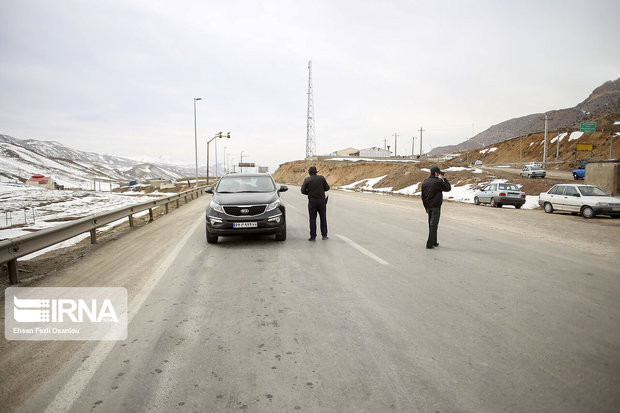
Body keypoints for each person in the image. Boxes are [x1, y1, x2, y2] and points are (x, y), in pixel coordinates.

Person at [421, 166, 451, 249]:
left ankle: (434, 241)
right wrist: (444, 179)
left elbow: (423, 196)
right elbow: (448, 188)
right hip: (435, 207)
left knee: (431, 224)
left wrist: (425, 207)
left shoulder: (425, 182)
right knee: (434, 225)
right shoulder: (437, 182)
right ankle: (429, 244)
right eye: (439, 173)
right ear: (436, 173)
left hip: (428, 207)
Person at [301, 166, 330, 241]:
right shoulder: (322, 178)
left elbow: (303, 191)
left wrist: (310, 193)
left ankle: (313, 236)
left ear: (309, 173)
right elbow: (327, 188)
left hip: (312, 202)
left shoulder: (307, 180)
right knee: (323, 218)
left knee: (312, 219)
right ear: (316, 172)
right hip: (321, 201)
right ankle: (324, 235)